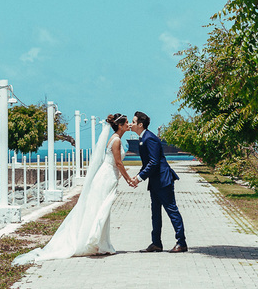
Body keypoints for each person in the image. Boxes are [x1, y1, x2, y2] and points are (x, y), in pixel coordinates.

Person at [14, 113, 136, 264]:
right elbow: (118, 163)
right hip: (107, 177)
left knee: (102, 208)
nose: (129, 124)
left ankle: (99, 242)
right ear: (120, 125)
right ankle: (95, 242)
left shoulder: (114, 139)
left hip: (107, 175)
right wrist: (129, 179)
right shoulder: (116, 140)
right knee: (101, 208)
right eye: (126, 123)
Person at [129, 111, 187, 253]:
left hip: (163, 180)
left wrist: (139, 178)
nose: (130, 124)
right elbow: (147, 163)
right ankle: (156, 243)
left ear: (140, 124)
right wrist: (137, 178)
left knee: (172, 211)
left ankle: (181, 243)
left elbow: (154, 162)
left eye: (133, 122)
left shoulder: (150, 139)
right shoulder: (143, 139)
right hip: (155, 181)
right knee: (155, 213)